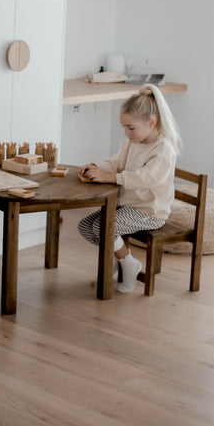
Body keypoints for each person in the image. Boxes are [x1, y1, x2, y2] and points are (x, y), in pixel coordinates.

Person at [78, 84, 182, 293]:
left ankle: (128, 264)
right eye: (123, 127)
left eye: (130, 128)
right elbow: (117, 161)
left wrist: (110, 177)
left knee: (103, 228)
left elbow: (146, 179)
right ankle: (119, 259)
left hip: (149, 211)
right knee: (85, 227)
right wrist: (98, 166)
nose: (126, 133)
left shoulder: (163, 149)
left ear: (151, 123)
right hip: (127, 205)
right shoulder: (133, 142)